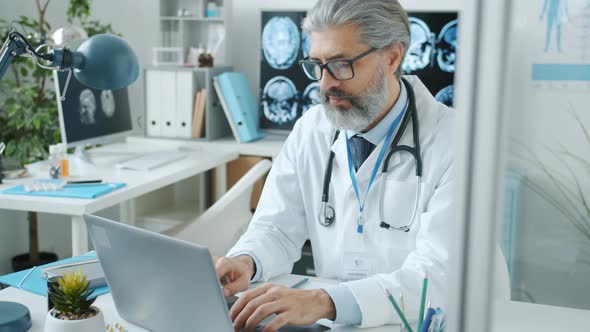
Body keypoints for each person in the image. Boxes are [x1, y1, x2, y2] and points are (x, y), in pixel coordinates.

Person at [215, 0, 456, 331]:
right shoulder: (311, 129)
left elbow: (436, 275)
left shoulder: (455, 141)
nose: (325, 83)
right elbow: (275, 228)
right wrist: (247, 261)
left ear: (392, 56)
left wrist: (325, 301)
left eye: (342, 64)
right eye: (317, 64)